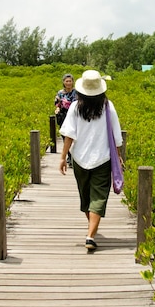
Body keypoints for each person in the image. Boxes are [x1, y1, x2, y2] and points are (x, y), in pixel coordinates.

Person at [59, 70, 123, 251]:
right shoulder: (108, 107)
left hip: (79, 159)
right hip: (103, 158)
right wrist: (118, 156)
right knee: (98, 197)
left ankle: (91, 234)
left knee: (87, 197)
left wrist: (63, 157)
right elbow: (117, 136)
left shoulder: (74, 107)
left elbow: (69, 135)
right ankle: (91, 232)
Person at [54, 73, 77, 166]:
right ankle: (69, 156)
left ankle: (73, 157)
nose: (68, 83)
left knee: (74, 137)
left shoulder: (77, 92)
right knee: (65, 136)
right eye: (66, 81)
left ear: (72, 82)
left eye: (70, 81)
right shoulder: (60, 93)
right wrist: (57, 109)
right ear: (63, 82)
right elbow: (57, 104)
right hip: (64, 116)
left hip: (75, 116)